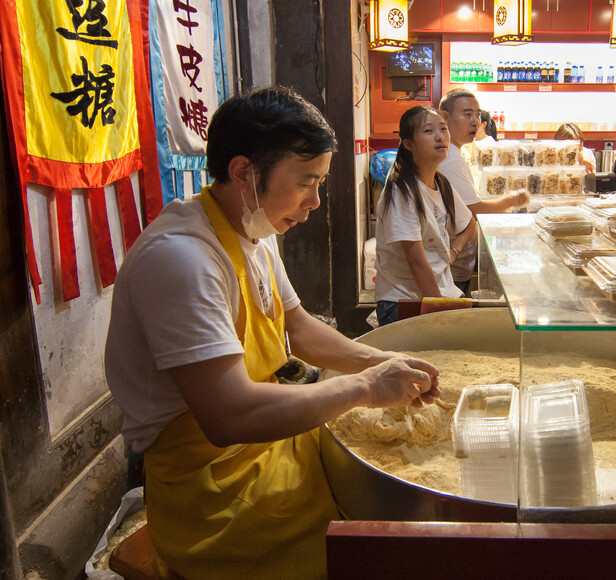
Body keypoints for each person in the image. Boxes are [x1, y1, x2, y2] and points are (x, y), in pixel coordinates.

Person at [104, 87, 441, 580]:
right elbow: (229, 414)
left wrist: (382, 364)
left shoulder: (252, 230)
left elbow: (299, 328)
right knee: (363, 546)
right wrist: (366, 388)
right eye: (307, 181)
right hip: (214, 491)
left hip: (267, 448)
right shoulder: (182, 260)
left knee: (372, 485)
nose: (315, 202)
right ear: (244, 172)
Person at [373, 105, 477, 326]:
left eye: (443, 129)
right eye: (429, 131)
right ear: (408, 144)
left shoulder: (441, 182)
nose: (440, 136)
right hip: (403, 301)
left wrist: (453, 251)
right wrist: (439, 313)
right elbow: (417, 263)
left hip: (441, 293)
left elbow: (469, 223)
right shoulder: (401, 189)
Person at [437, 88, 529, 296]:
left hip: (455, 263)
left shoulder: (453, 153)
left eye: (477, 114)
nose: (475, 121)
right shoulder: (450, 159)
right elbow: (475, 210)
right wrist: (512, 200)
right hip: (451, 266)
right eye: (467, 114)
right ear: (445, 117)